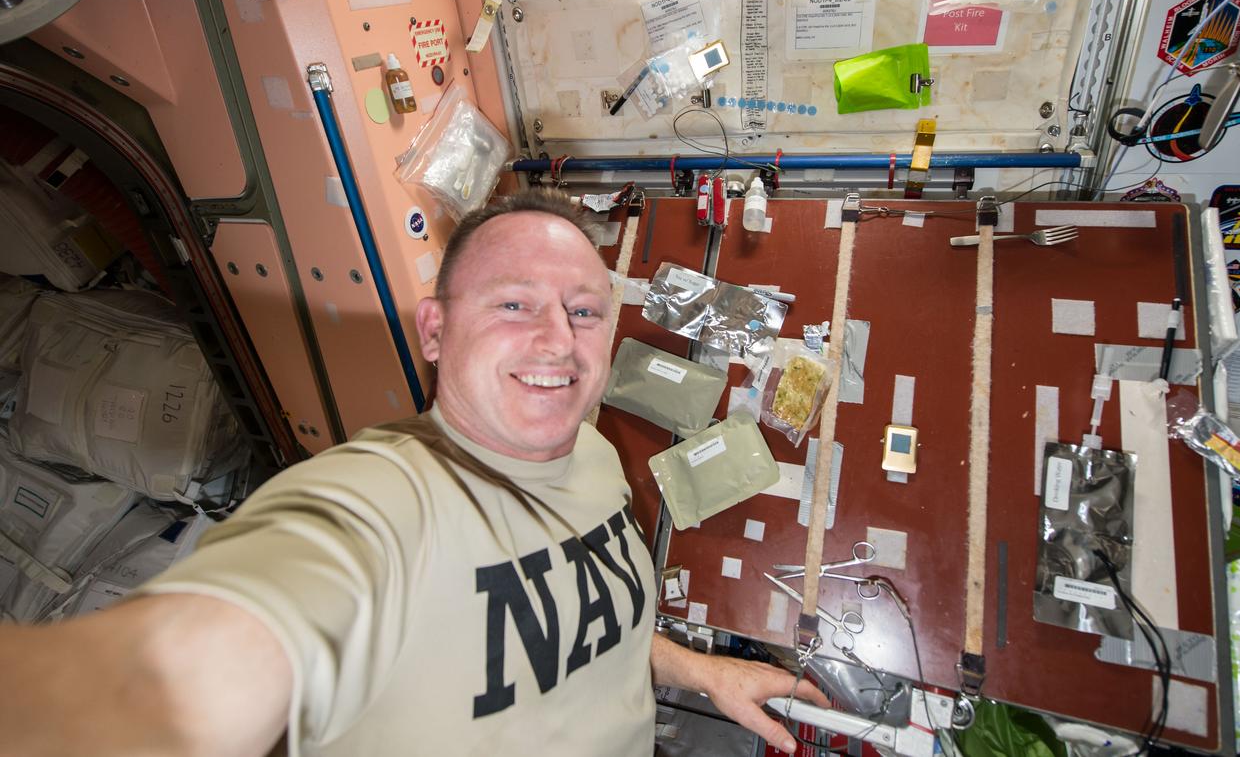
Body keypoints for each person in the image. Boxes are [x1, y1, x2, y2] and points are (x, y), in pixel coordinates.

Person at [0, 188, 827, 756]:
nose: (557, 339)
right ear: (434, 330)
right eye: (513, 303)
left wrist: (700, 668)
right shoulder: (378, 501)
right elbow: (159, 686)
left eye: (583, 311)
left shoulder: (597, 457)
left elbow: (591, 620)